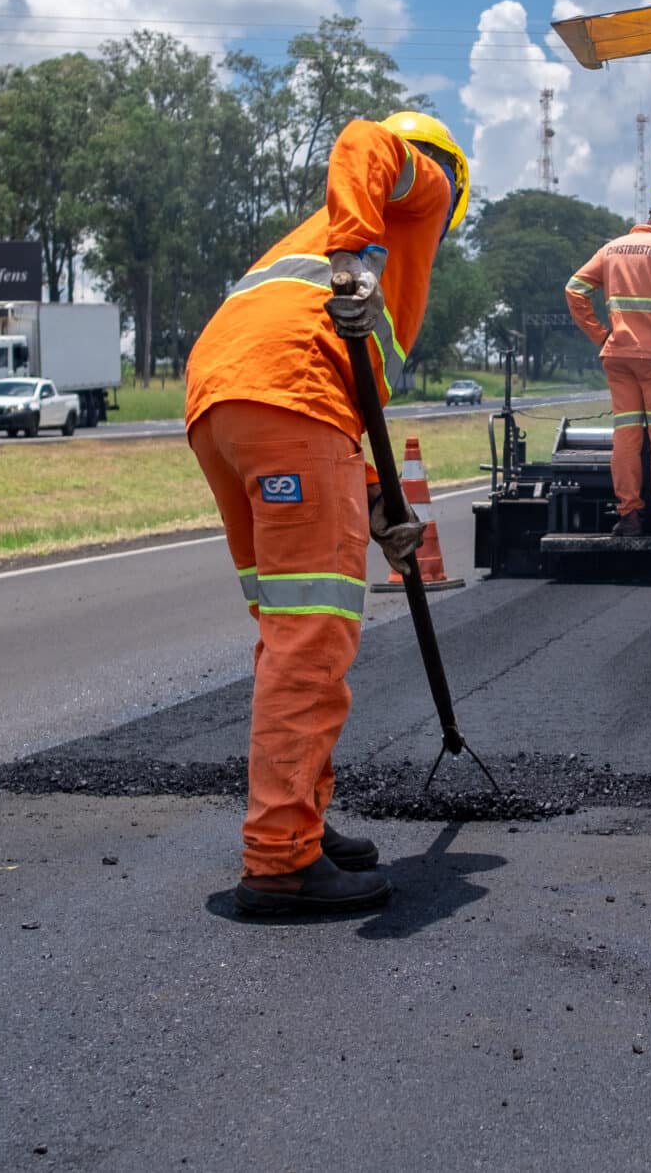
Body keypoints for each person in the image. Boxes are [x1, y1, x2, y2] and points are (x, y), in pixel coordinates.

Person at [183, 110, 472, 916]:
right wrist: (354, 254)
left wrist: (382, 506)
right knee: (311, 637)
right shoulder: (413, 194)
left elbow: (354, 406)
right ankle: (278, 858)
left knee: (289, 630)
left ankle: (300, 820)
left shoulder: (318, 253)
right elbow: (361, 137)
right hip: (287, 401)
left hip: (228, 406)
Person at [567, 185, 651, 537]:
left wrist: (602, 335)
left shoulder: (612, 249)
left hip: (619, 358)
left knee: (626, 436)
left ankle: (628, 516)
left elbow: (575, 289)